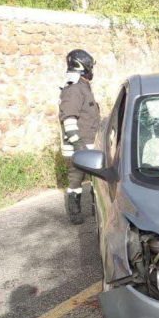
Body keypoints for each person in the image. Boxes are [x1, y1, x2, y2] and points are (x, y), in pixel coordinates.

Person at [59, 49, 100, 225]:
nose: (92, 70)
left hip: (89, 144)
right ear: (83, 67)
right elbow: (69, 119)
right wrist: (79, 146)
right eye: (90, 66)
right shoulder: (74, 89)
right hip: (80, 146)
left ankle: (95, 208)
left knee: (96, 181)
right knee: (75, 180)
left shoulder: (83, 87)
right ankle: (74, 213)